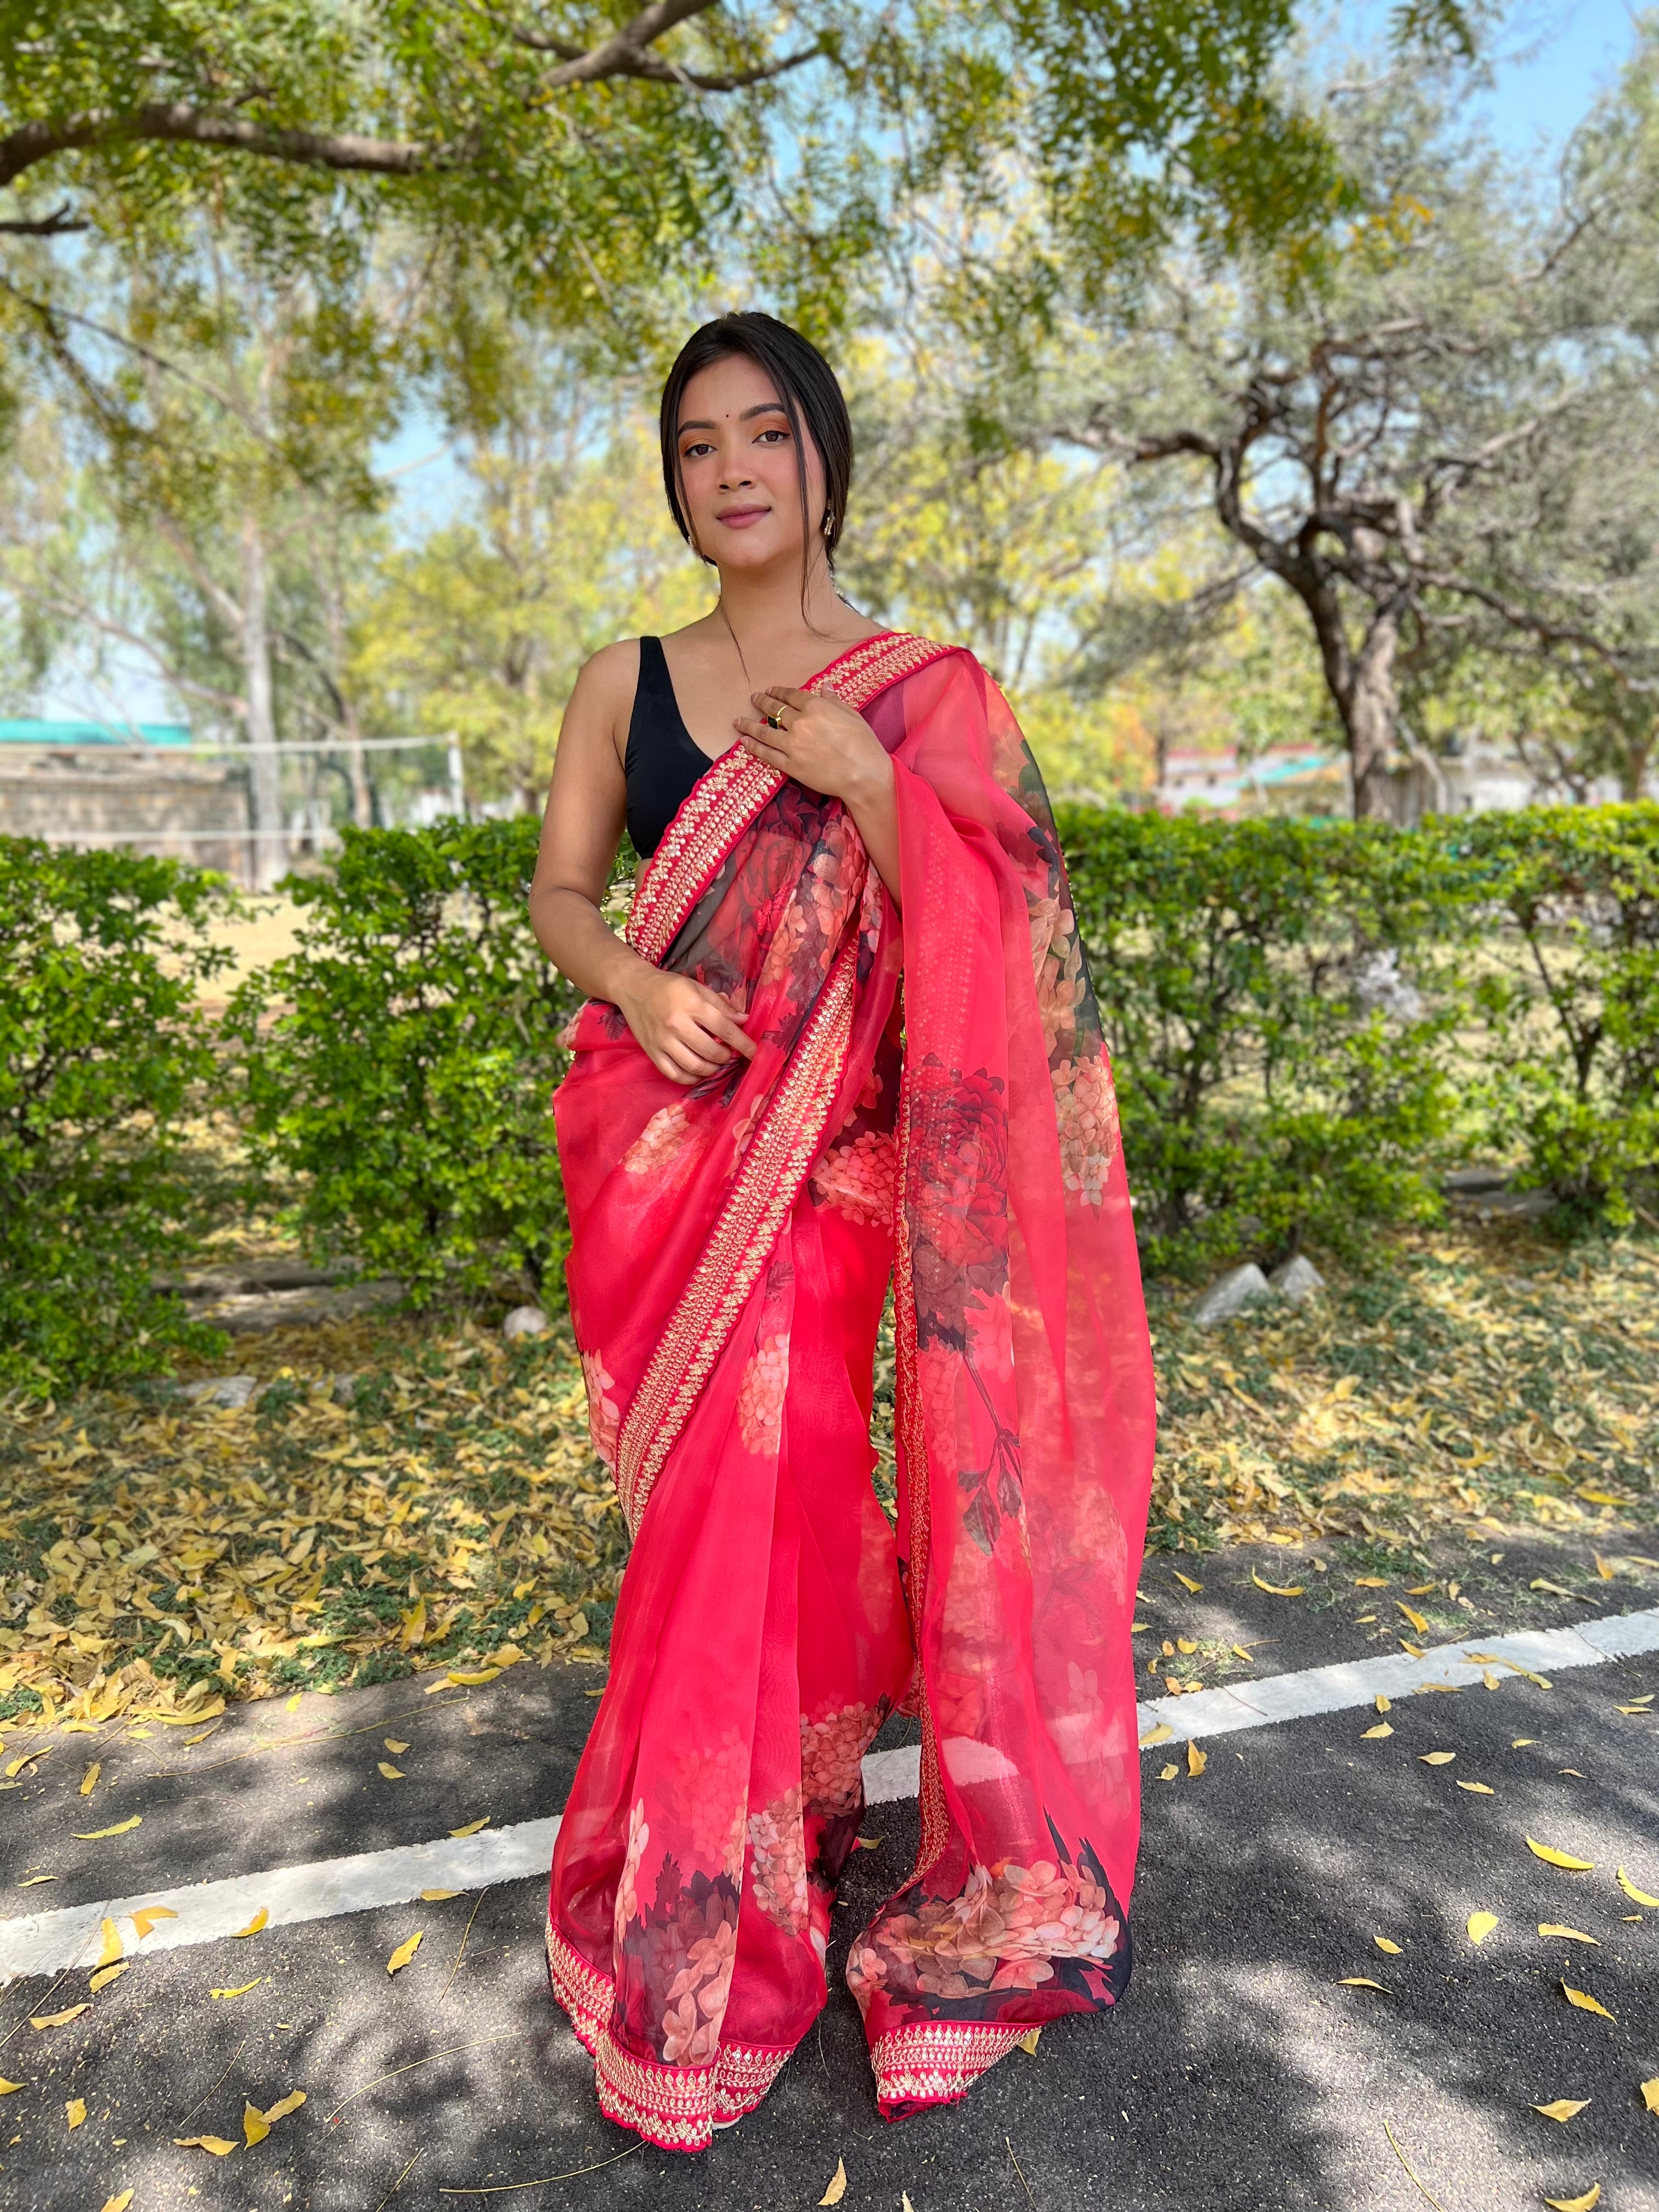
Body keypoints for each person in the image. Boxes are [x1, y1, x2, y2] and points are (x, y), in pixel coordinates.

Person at [528, 311, 1155, 2153]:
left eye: (764, 436)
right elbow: (563, 897)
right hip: (673, 1167)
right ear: (678, 481)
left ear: (820, 461)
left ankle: (737, 1879)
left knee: (791, 1506)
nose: (730, 470)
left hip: (837, 1185)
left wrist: (874, 785)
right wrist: (637, 985)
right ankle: (731, 1862)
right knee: (718, 1528)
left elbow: (1014, 924)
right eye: (698, 445)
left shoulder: (919, 691)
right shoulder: (622, 678)